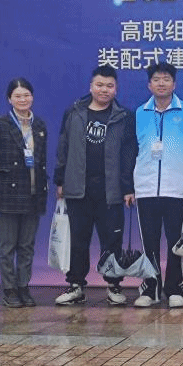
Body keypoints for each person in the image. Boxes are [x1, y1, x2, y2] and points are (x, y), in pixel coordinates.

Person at [53, 65, 137, 306]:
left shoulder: (124, 116)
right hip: (78, 187)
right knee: (78, 240)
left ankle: (114, 286)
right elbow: (63, 147)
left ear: (116, 89)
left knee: (112, 241)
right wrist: (60, 180)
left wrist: (128, 187)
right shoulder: (74, 112)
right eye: (99, 85)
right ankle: (76, 286)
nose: (104, 90)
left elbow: (129, 154)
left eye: (109, 86)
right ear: (91, 86)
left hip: (110, 190)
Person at [133, 62, 183, 308]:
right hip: (145, 188)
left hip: (176, 190)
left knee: (177, 242)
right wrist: (129, 187)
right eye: (156, 79)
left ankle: (175, 289)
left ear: (174, 84)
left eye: (166, 79)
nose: (161, 83)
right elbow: (129, 151)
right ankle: (150, 290)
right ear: (149, 85)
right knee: (149, 243)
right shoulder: (139, 113)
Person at [0, 77, 49, 308]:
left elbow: (41, 161)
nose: (23, 99)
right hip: (7, 196)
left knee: (27, 246)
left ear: (33, 97)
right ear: (9, 99)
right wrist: (1, 184)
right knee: (7, 246)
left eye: (26, 95)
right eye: (18, 96)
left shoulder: (39, 126)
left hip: (33, 195)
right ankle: (9, 290)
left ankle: (23, 286)